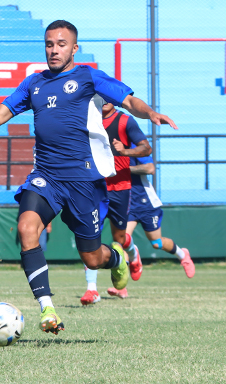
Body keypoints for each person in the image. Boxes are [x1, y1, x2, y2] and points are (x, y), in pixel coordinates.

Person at [0, 20, 177, 334]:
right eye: (49, 44)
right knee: (26, 227)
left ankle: (116, 259)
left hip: (83, 181)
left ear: (74, 48)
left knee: (92, 256)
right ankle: (47, 309)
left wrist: (150, 113)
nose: (54, 49)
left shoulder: (87, 77)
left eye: (61, 44)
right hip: (46, 175)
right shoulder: (34, 83)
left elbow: (128, 100)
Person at [80, 105, 151, 306]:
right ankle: (91, 290)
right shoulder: (88, 119)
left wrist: (125, 151)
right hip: (94, 186)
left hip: (120, 187)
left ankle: (134, 255)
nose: (103, 101)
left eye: (107, 98)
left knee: (119, 238)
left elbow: (147, 148)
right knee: (90, 238)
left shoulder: (125, 121)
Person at [108, 153, 195, 298]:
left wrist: (126, 169)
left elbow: (150, 168)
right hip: (126, 204)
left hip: (146, 203)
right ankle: (121, 286)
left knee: (156, 243)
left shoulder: (135, 147)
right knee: (121, 242)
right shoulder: (107, 149)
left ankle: (183, 255)